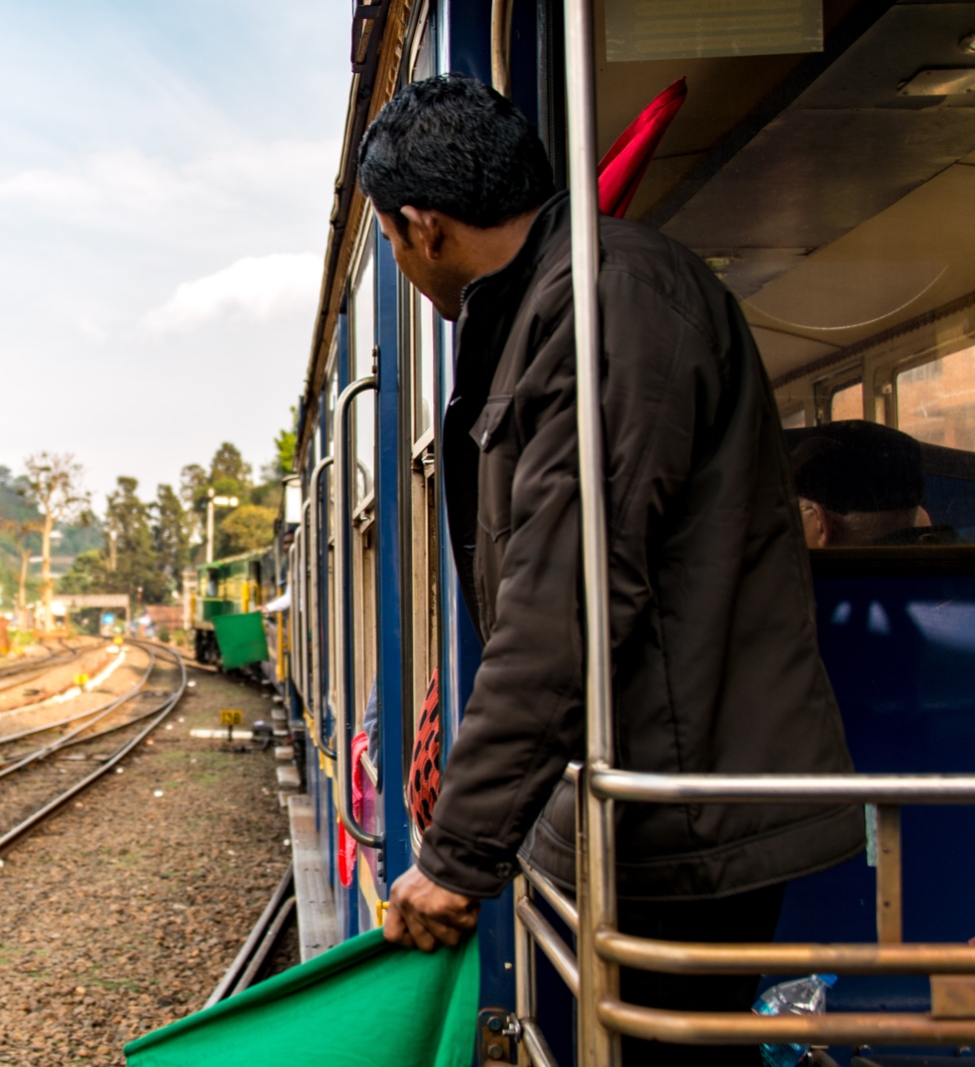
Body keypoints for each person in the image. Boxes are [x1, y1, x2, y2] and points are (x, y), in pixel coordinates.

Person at [361, 77, 863, 1065]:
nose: (398, 256)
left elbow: (567, 596)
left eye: (388, 238)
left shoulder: (601, 302)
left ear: (423, 226)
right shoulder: (564, 301)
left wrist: (457, 853)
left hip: (687, 814)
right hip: (659, 807)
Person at [791, 420, 959, 547]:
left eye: (797, 510)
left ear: (821, 524)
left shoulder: (820, 590)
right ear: (923, 518)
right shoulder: (959, 565)